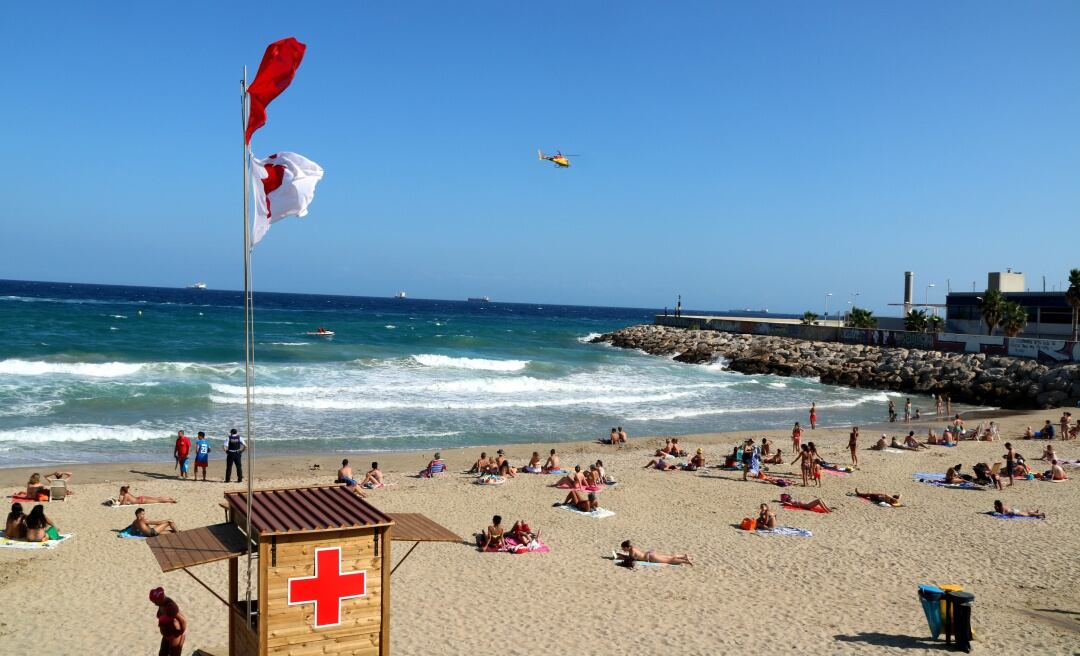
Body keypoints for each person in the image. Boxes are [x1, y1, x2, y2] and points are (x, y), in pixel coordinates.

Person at [149, 587, 187, 656]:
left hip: (175, 635)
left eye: (155, 601)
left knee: (174, 654)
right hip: (167, 634)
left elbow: (183, 620)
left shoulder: (170, 607)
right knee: (162, 653)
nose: (154, 604)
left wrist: (179, 633)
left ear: (160, 600)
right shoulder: (162, 604)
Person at [616, 540, 692, 567]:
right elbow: (632, 557)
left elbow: (631, 560)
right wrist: (621, 555)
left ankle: (685, 561)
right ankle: (684, 556)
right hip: (650, 554)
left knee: (669, 561)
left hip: (650, 557)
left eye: (623, 548)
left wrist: (621, 557)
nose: (623, 550)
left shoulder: (631, 550)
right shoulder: (632, 548)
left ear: (626, 547)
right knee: (670, 557)